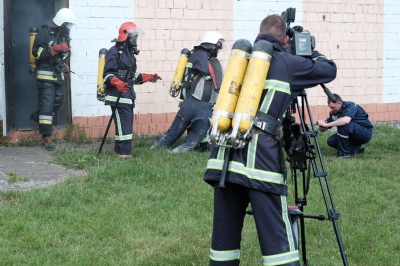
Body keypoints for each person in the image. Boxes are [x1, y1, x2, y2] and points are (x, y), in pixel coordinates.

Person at [203, 14, 337, 265]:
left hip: (223, 157)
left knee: (224, 239)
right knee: (278, 240)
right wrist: (311, 51)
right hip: (259, 162)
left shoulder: (240, 61)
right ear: (285, 39)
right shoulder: (288, 62)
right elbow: (329, 70)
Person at [152, 31, 224, 153]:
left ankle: (155, 147)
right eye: (218, 46)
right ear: (212, 45)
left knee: (173, 132)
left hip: (190, 101)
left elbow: (189, 80)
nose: (218, 49)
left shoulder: (196, 54)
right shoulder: (205, 58)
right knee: (195, 135)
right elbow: (214, 80)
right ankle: (176, 152)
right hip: (202, 104)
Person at [103, 22, 162, 158]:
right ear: (126, 37)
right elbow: (107, 74)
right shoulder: (114, 51)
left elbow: (132, 77)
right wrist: (116, 82)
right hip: (116, 96)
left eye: (136, 37)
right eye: (133, 37)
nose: (135, 40)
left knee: (126, 125)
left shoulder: (129, 54)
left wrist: (148, 77)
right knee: (124, 125)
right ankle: (123, 153)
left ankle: (121, 152)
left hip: (127, 96)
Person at [30, 8, 77, 151]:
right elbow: (37, 52)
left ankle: (37, 117)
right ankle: (46, 137)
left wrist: (63, 63)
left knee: (59, 100)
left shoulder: (64, 35)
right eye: (67, 24)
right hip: (45, 76)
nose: (69, 27)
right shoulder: (45, 31)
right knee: (47, 105)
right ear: (61, 22)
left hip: (57, 75)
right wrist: (55, 49)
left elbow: (63, 54)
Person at [317, 94, 373, 158]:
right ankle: (357, 148)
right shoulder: (334, 113)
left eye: (333, 107)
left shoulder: (351, 105)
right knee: (331, 141)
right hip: (352, 135)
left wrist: (326, 124)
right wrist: (322, 125)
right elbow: (323, 129)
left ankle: (344, 154)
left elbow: (346, 121)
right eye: (330, 107)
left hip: (365, 133)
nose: (331, 109)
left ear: (340, 103)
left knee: (343, 123)